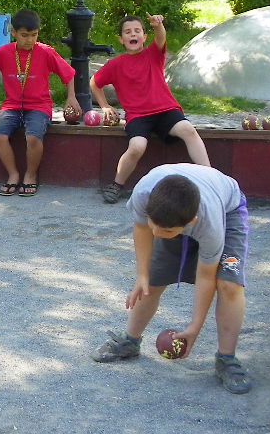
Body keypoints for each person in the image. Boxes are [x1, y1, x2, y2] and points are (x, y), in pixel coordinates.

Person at [90, 163, 253, 394]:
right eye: (154, 226)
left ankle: (226, 359)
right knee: (152, 281)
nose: (158, 234)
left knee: (229, 284)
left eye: (165, 232)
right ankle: (130, 342)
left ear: (191, 223)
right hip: (173, 210)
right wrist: (142, 274)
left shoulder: (210, 224)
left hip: (227, 209)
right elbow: (142, 228)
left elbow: (206, 276)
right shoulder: (144, 194)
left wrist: (195, 326)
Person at [91, 14, 210, 204]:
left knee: (188, 130)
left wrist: (157, 25)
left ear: (144, 37)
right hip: (138, 116)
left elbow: (161, 37)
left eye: (137, 31)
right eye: (128, 32)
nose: (133, 34)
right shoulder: (115, 64)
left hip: (165, 110)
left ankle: (210, 177)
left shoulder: (153, 54)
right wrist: (104, 106)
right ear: (121, 39)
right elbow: (95, 82)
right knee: (137, 146)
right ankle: (117, 184)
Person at [0, 9, 80, 197]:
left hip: (39, 105)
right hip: (12, 105)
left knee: (33, 137)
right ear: (13, 32)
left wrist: (71, 97)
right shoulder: (4, 52)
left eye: (34, 35)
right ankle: (13, 174)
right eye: (24, 35)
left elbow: (68, 73)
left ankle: (30, 175)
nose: (29, 40)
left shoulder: (46, 52)